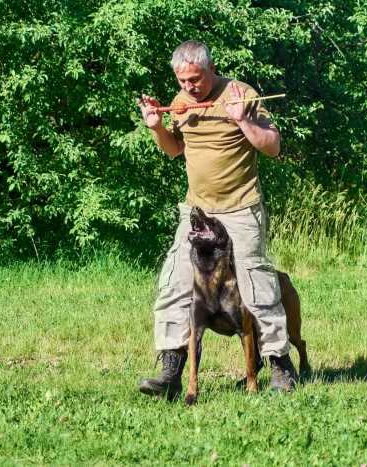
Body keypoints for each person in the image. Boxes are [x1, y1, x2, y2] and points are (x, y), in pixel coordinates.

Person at [137, 40, 297, 399]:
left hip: (241, 208)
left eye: (195, 79)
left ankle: (280, 366)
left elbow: (273, 146)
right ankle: (171, 371)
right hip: (198, 212)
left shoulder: (241, 93)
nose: (189, 87)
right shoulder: (179, 103)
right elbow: (174, 149)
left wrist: (241, 119)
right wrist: (155, 127)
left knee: (257, 287)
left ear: (210, 70)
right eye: (182, 81)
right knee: (175, 284)